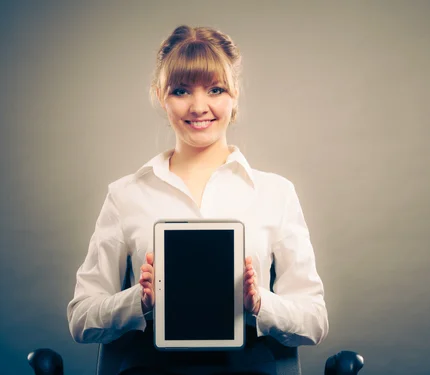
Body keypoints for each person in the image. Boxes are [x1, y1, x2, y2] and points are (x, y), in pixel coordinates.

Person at [66, 25, 329, 375]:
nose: (198, 106)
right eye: (181, 91)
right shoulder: (125, 195)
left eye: (215, 89)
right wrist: (140, 302)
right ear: (161, 96)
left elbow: (314, 322)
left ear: (234, 95)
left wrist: (259, 304)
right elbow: (81, 319)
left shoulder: (275, 194)